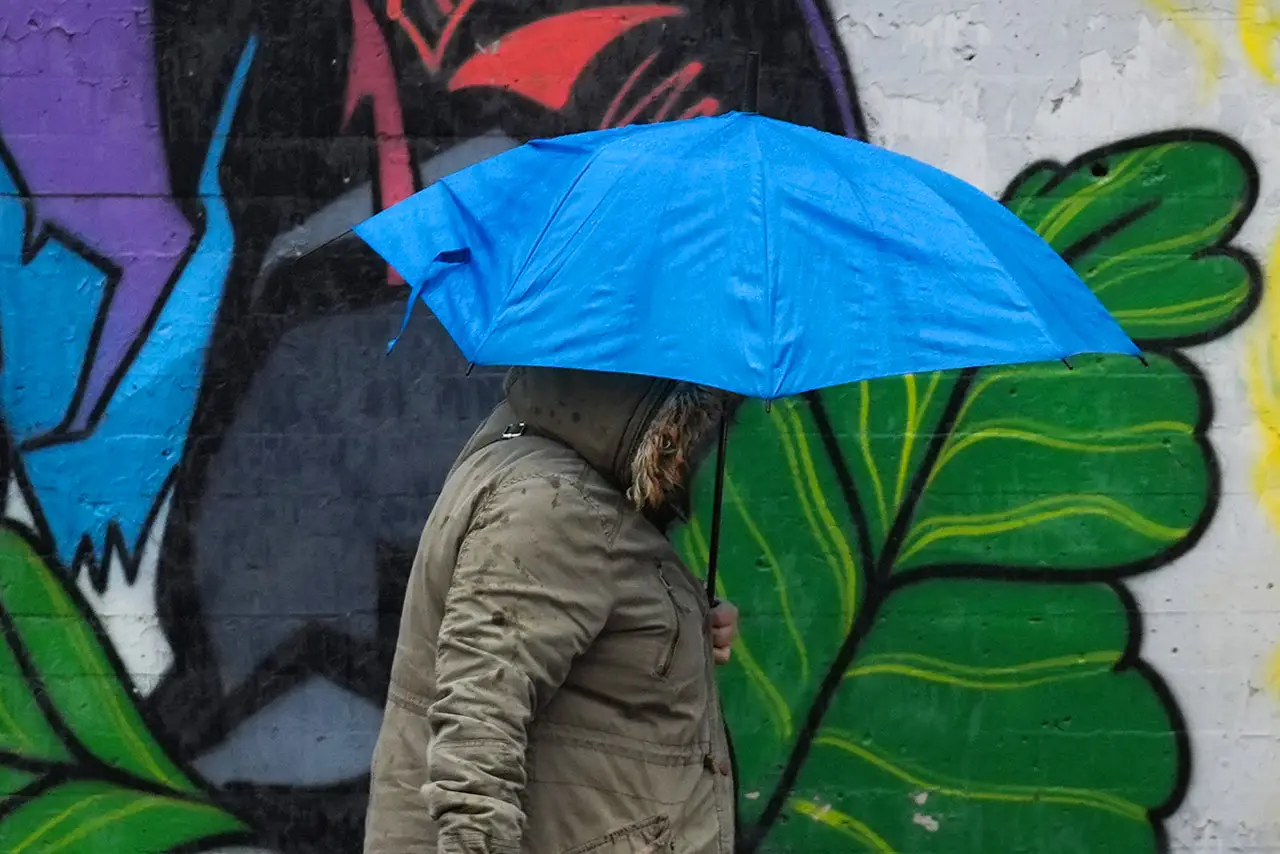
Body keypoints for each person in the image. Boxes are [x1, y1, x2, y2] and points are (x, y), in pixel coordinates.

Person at [364, 366, 743, 854]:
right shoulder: (554, 504)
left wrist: (680, 624)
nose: (705, 442)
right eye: (704, 418)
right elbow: (476, 739)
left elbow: (569, 633)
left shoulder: (532, 450)